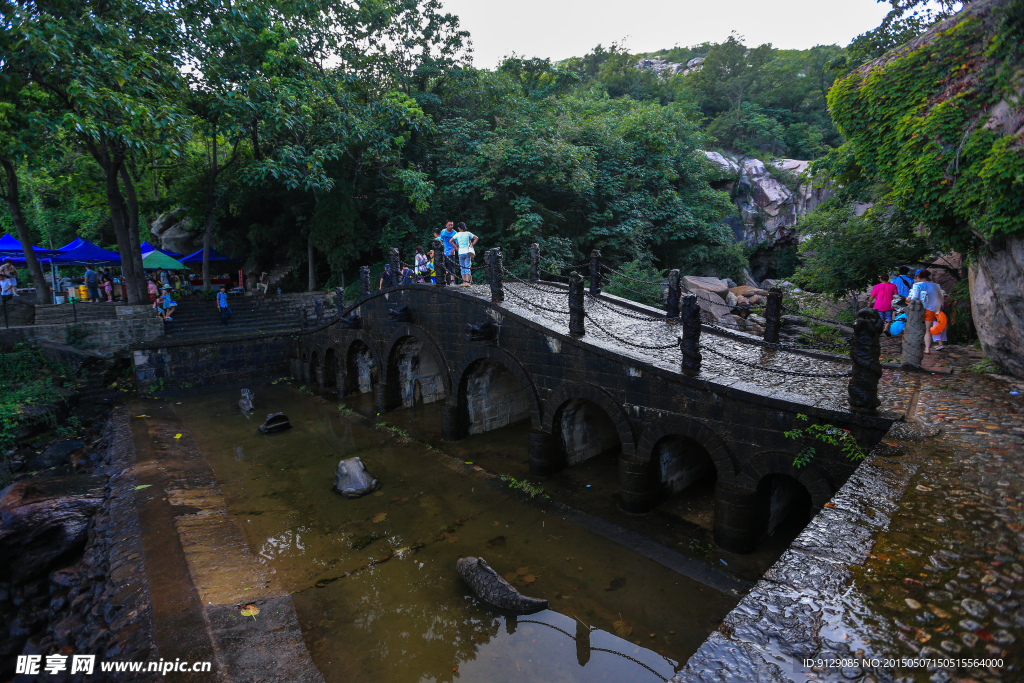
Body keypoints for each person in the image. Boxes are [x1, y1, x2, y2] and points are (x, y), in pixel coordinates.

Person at [907, 269, 943, 354]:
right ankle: (927, 349)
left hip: (919, 309)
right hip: (932, 309)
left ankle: (915, 347)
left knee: (916, 328)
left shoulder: (917, 285)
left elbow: (915, 297)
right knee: (927, 330)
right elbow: (940, 298)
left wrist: (908, 300)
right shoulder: (936, 286)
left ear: (918, 277)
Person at [449, 222, 478, 286]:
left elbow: (450, 241)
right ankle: (467, 282)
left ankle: (464, 282)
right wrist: (471, 245)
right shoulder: (468, 233)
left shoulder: (457, 234)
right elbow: (476, 238)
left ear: (459, 228)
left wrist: (455, 247)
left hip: (460, 252)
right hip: (467, 252)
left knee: (462, 267)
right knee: (467, 267)